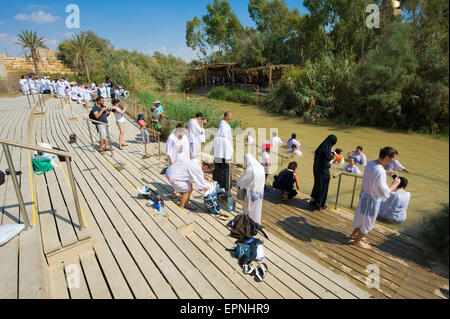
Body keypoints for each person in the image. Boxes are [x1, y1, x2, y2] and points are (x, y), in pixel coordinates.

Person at [350, 147, 401, 250]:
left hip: (365, 195)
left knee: (361, 216)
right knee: (368, 220)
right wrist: (395, 184)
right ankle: (357, 241)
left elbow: (373, 174)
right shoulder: (380, 171)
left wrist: (386, 173)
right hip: (372, 199)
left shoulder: (371, 163)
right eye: (393, 159)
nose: (393, 161)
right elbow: (384, 192)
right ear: (387, 158)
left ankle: (354, 234)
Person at [310, 135, 338, 210]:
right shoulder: (326, 152)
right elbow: (327, 165)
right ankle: (319, 204)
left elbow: (319, 161)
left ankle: (313, 200)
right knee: (323, 188)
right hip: (323, 173)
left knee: (317, 185)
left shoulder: (320, 148)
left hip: (316, 170)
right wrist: (333, 160)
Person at [236, 154, 265, 224]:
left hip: (252, 191)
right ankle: (256, 221)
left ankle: (248, 221)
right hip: (260, 191)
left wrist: (238, 184)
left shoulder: (250, 169)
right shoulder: (261, 167)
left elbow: (243, 180)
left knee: (248, 206)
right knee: (257, 208)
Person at [211, 111, 233, 192]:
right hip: (223, 156)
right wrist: (229, 157)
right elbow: (228, 149)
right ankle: (224, 185)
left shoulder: (217, 137)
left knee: (218, 168)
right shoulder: (224, 136)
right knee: (223, 169)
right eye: (230, 116)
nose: (231, 117)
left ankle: (217, 183)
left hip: (218, 155)